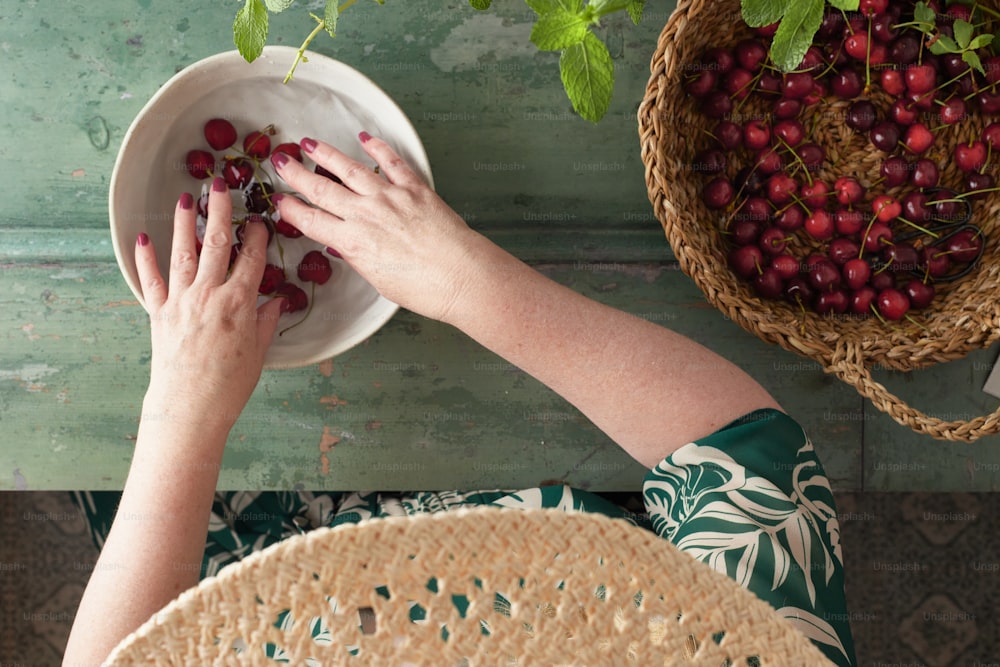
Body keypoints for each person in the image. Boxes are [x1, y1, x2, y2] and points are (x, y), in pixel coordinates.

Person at [63, 132, 857, 666]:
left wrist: (180, 413)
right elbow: (744, 451)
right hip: (568, 490)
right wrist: (469, 281)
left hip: (223, 565)